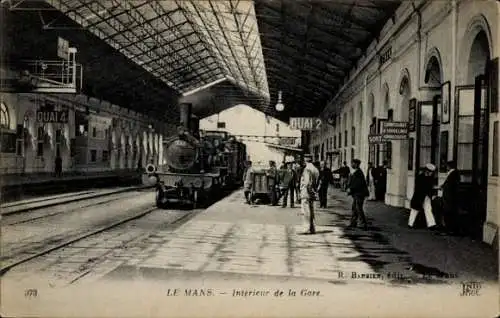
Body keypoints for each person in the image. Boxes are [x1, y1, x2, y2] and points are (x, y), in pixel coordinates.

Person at [408, 164, 437, 229]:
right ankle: (410, 224)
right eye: (430, 172)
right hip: (419, 196)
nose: (431, 173)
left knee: (428, 209)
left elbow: (430, 187)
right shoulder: (420, 177)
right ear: (426, 171)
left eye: (432, 172)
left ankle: (431, 224)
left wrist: (432, 192)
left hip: (425, 196)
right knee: (415, 210)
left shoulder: (428, 178)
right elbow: (425, 187)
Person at [299, 154, 319, 234]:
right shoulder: (315, 169)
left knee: (305, 211)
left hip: (306, 191)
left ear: (305, 160)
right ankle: (312, 228)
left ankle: (306, 228)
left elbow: (307, 182)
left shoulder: (307, 169)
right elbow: (317, 181)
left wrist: (307, 191)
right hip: (312, 192)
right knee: (311, 210)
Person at [347, 159, 369, 230]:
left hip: (359, 193)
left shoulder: (358, 173)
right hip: (357, 193)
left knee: (358, 208)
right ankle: (353, 223)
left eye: (352, 163)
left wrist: (350, 189)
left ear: (356, 164)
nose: (351, 165)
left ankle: (363, 224)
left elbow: (357, 184)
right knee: (354, 208)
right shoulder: (356, 172)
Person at [440, 161, 461, 235]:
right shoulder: (454, 173)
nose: (446, 167)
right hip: (450, 198)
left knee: (449, 213)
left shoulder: (453, 174)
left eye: (447, 166)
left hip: (450, 198)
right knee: (450, 213)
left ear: (449, 166)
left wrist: (443, 187)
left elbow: (450, 186)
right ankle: (450, 230)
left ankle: (449, 230)